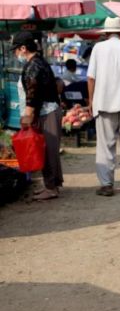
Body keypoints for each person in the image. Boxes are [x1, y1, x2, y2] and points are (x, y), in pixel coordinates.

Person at [87, 16, 120, 197]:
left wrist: (91, 100)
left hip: (103, 102)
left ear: (107, 32)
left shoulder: (98, 49)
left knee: (105, 145)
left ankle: (107, 184)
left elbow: (91, 77)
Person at [11, 31, 64, 201]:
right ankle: (51, 184)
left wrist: (27, 118)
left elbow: (33, 95)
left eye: (16, 50)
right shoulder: (38, 62)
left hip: (46, 113)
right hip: (47, 111)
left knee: (47, 151)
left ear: (23, 48)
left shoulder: (33, 66)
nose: (15, 54)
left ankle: (51, 188)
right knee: (48, 150)